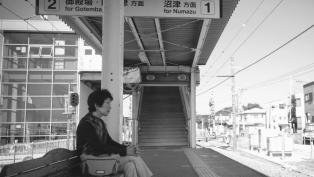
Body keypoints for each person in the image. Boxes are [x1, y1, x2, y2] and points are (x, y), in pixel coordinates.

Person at [76, 89, 153, 177]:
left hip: (101, 159)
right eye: (107, 103)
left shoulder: (99, 122)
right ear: (97, 105)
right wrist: (125, 151)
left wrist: (126, 148)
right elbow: (98, 147)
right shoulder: (86, 124)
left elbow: (109, 142)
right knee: (134, 158)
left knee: (130, 166)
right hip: (91, 162)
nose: (110, 107)